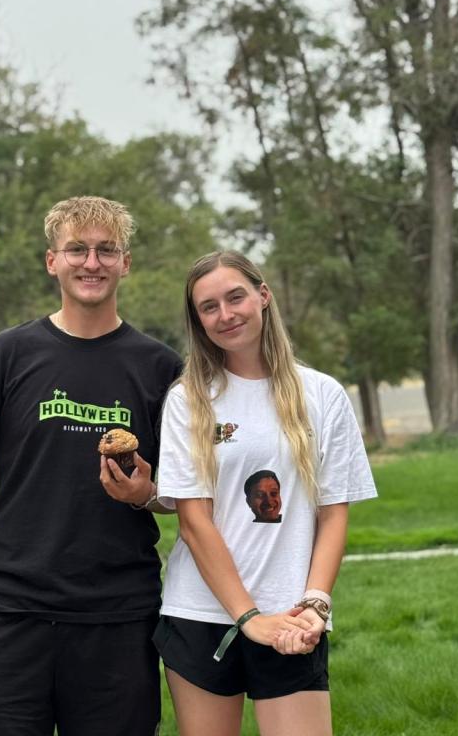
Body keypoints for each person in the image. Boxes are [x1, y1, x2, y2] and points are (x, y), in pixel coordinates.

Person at [0, 196, 182, 736]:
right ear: (52, 261)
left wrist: (144, 495)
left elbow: (184, 496)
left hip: (117, 615)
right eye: (77, 249)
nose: (92, 262)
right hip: (10, 610)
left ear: (125, 263)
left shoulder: (161, 368)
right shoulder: (7, 354)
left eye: (106, 250)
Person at [154, 251, 377, 736]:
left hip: (294, 617)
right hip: (202, 614)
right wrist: (249, 618)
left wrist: (315, 603)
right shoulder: (188, 399)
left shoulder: (322, 394)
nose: (226, 314)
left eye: (235, 297)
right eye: (209, 307)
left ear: (263, 295)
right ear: (198, 320)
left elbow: (333, 514)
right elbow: (194, 523)